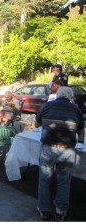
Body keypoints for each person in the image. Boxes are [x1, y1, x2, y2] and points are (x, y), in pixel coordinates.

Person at [35, 86, 84, 221]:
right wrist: (79, 140)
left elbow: (36, 124)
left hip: (48, 148)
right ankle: (60, 211)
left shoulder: (47, 106)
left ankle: (44, 210)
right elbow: (81, 129)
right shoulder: (76, 109)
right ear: (70, 96)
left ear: (57, 95)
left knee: (44, 179)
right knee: (64, 181)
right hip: (67, 150)